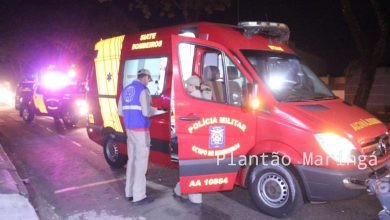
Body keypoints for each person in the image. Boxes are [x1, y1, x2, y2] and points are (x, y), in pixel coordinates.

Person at [118, 68, 157, 206]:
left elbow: (120, 112)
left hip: (129, 129)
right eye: (148, 79)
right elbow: (146, 112)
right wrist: (156, 110)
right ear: (144, 77)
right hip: (141, 130)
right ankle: (139, 196)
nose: (148, 82)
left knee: (132, 160)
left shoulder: (126, 89)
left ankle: (129, 192)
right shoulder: (143, 90)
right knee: (141, 163)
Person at [172, 75, 203, 204]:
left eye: (188, 85)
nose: (186, 87)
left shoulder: (193, 98)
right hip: (199, 136)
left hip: (192, 137)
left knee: (192, 166)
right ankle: (180, 190)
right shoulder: (202, 96)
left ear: (192, 86)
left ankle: (193, 196)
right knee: (193, 166)